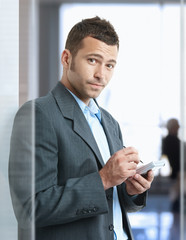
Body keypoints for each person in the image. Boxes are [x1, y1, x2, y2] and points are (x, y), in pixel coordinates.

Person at [9, 16, 154, 240]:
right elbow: (30, 209)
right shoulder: (38, 114)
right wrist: (104, 179)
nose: (101, 75)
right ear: (66, 58)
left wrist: (132, 191)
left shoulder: (109, 122)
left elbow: (111, 203)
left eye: (109, 65)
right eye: (93, 60)